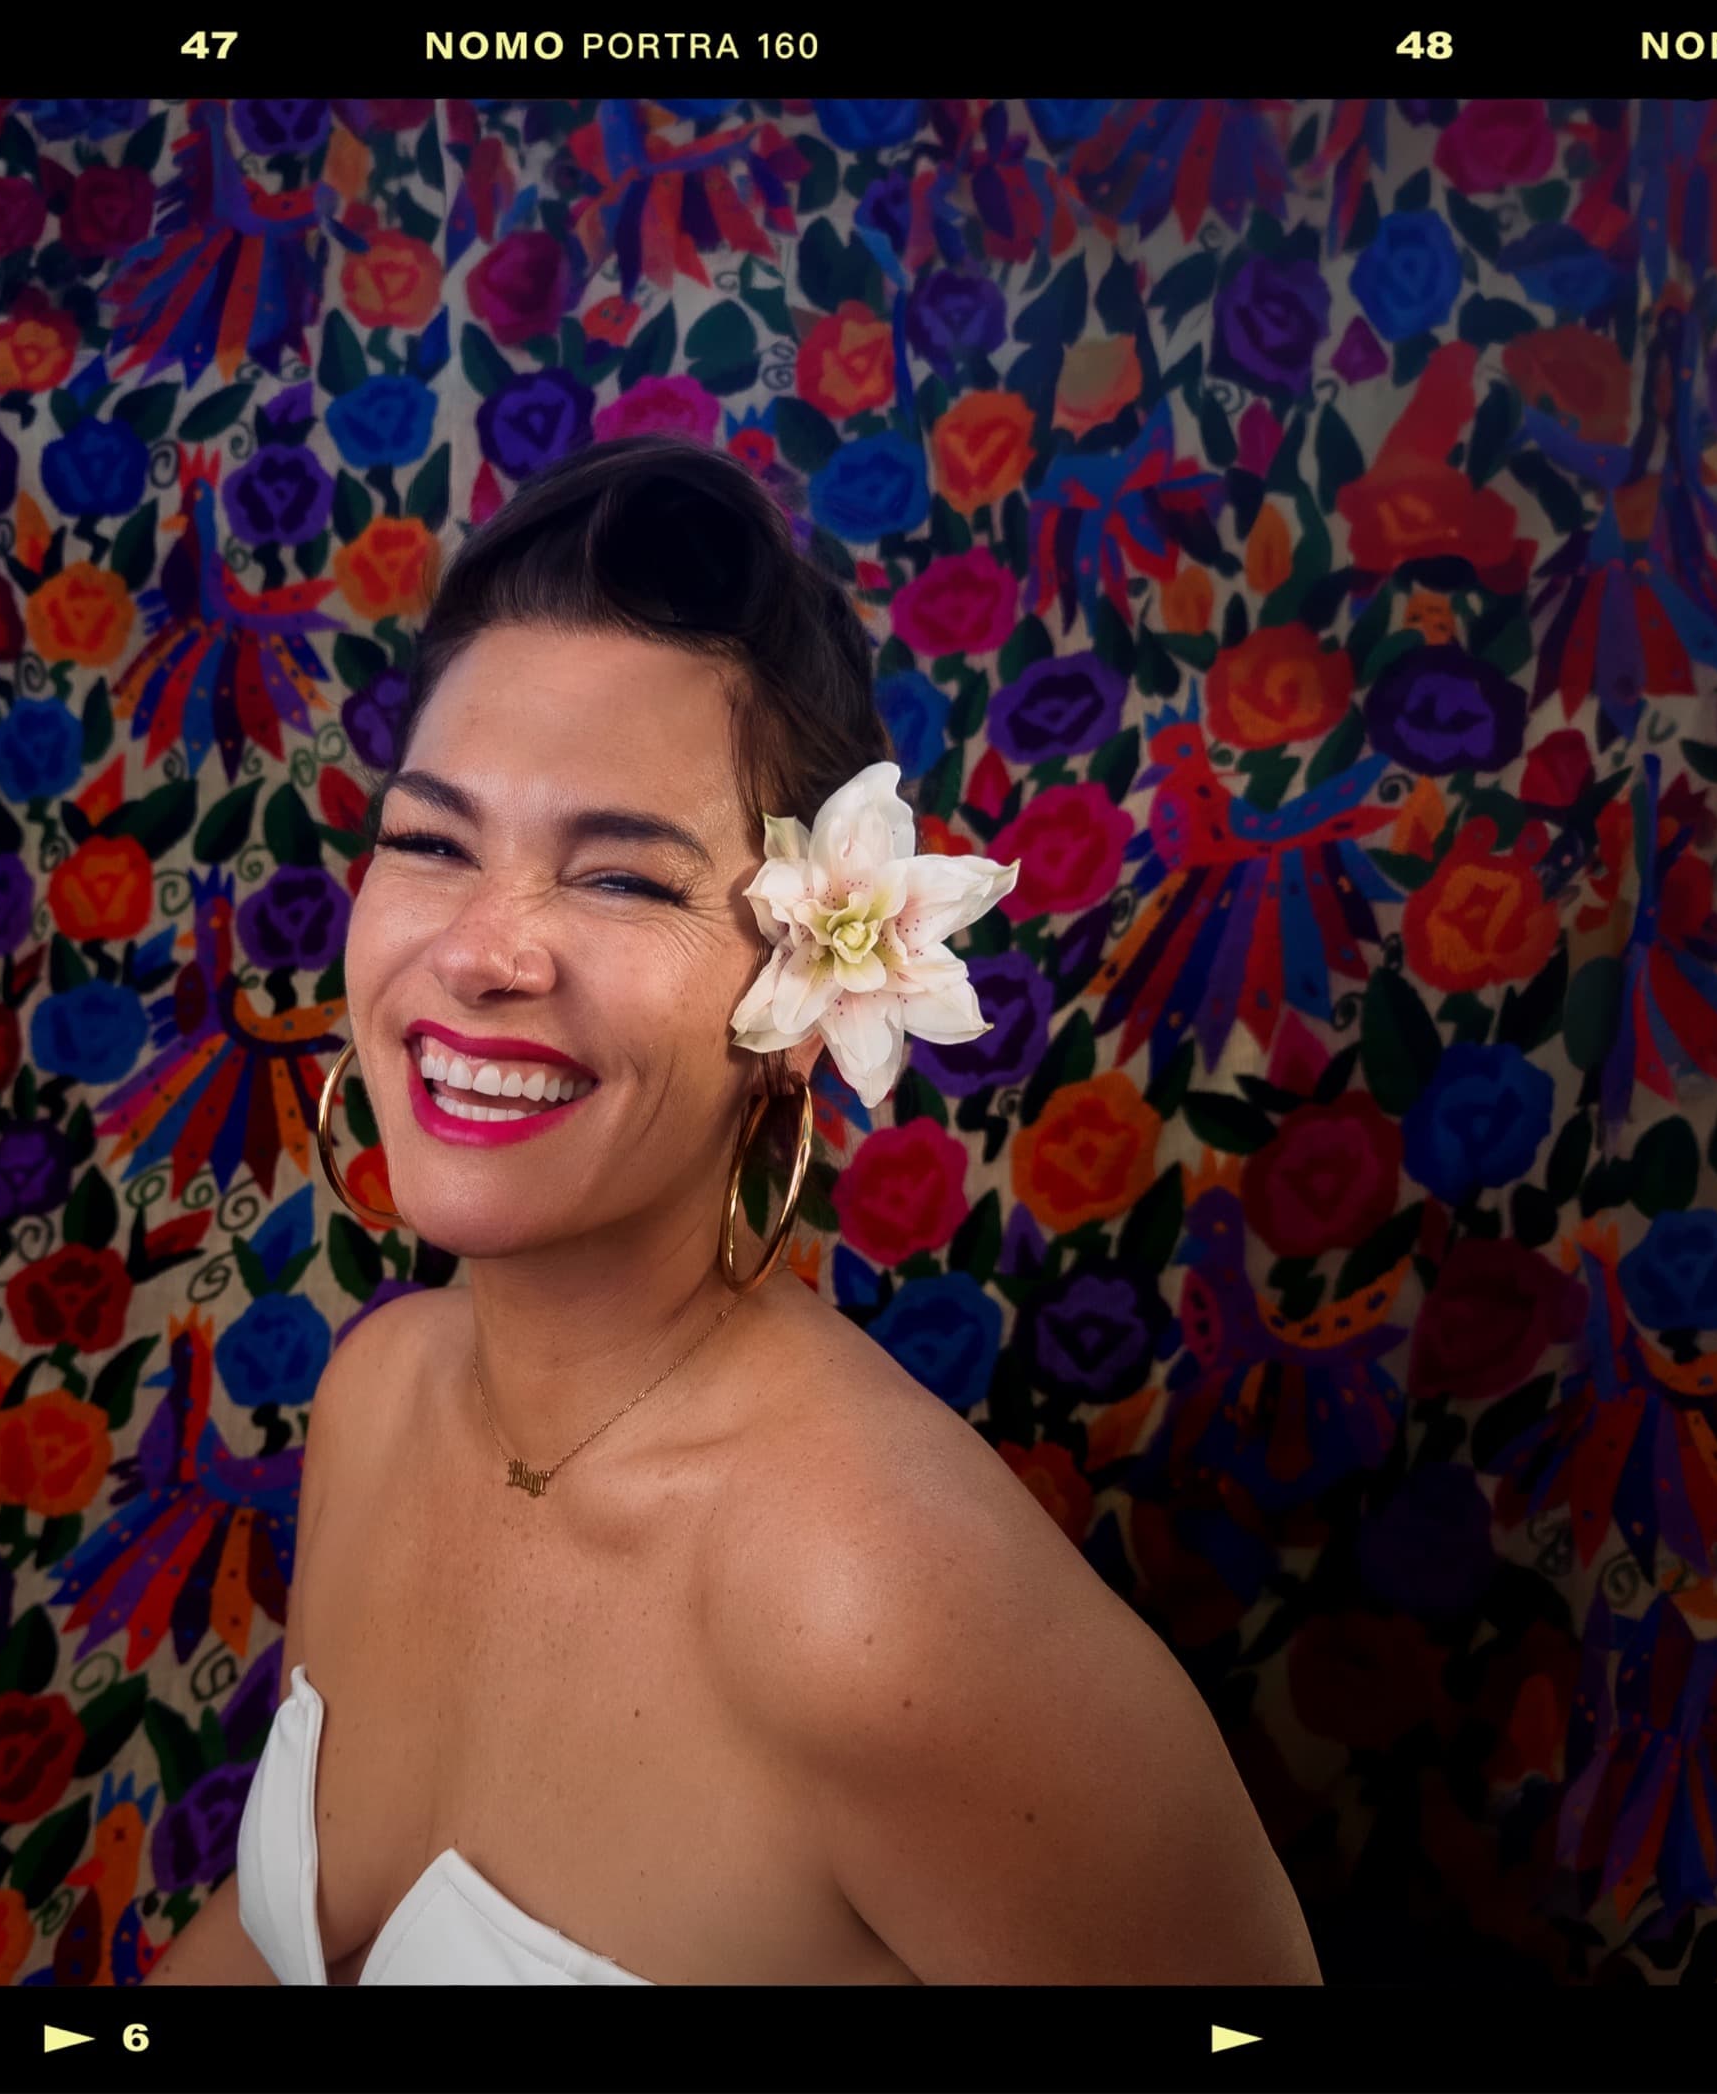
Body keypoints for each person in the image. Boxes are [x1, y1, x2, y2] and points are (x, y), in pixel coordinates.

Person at [143, 434, 1323, 1986]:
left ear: (808, 990)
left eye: (623, 880)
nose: (484, 952)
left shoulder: (880, 1615)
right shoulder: (379, 1395)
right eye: (431, 841)